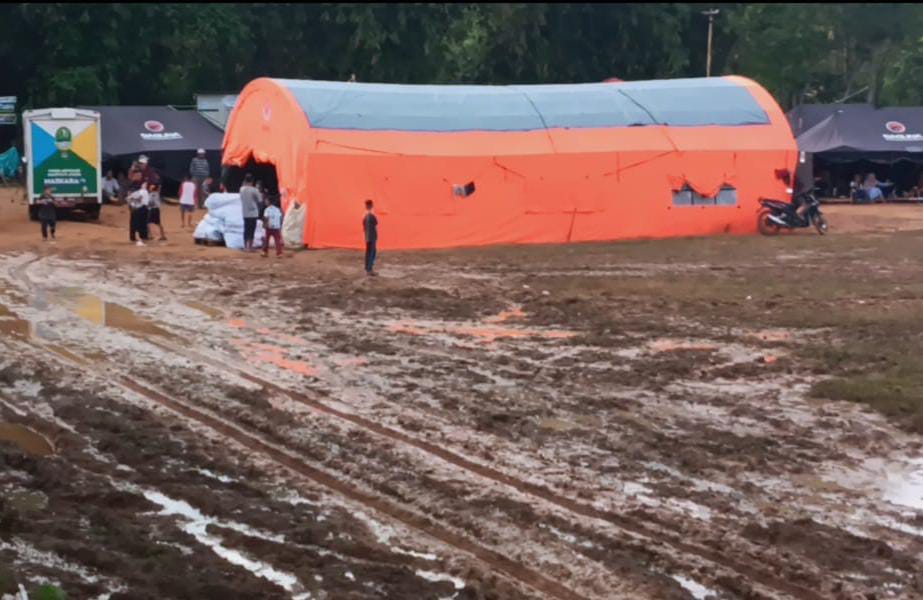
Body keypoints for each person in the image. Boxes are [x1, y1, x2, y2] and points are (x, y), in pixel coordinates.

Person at [239, 173, 262, 251]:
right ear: (252, 181)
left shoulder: (241, 189)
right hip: (253, 213)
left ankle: (245, 246)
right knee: (252, 230)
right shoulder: (254, 190)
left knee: (246, 229)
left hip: (245, 212)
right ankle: (250, 247)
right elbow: (260, 200)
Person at [127, 182, 151, 246]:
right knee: (141, 223)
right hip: (140, 209)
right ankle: (142, 236)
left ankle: (134, 237)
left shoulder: (140, 192)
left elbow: (129, 201)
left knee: (134, 224)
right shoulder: (142, 192)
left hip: (137, 209)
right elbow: (138, 199)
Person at [362, 199, 378, 276]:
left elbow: (364, 227)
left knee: (368, 253)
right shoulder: (371, 216)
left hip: (367, 237)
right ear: (371, 205)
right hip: (372, 237)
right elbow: (376, 224)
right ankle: (369, 270)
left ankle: (367, 268)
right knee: (372, 253)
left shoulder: (365, 216)